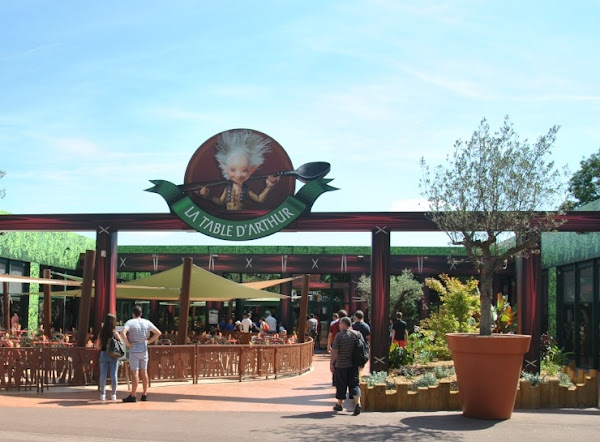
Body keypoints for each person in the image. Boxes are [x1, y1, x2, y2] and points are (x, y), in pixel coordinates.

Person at [199, 130, 280, 210]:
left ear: (252, 170)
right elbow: (220, 202)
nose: (238, 175)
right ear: (224, 168)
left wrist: (269, 187)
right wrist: (208, 196)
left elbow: (259, 199)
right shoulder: (227, 189)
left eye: (244, 171)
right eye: (233, 170)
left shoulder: (245, 190)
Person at [121, 305, 162, 402]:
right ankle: (144, 393)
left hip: (134, 349)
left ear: (133, 314)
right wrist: (149, 341)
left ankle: (133, 394)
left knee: (135, 373)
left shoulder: (130, 322)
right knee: (144, 372)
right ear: (141, 314)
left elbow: (123, 333)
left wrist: (128, 343)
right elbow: (158, 333)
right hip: (143, 349)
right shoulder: (147, 322)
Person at [330, 316, 362, 416]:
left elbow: (335, 351)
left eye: (340, 323)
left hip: (341, 364)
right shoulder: (357, 334)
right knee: (354, 384)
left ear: (344, 324)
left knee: (341, 384)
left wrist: (332, 363)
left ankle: (340, 404)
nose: (339, 325)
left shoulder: (339, 336)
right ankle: (358, 403)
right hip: (353, 364)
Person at [97, 313, 122, 401]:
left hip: (103, 353)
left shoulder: (102, 332)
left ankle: (102, 394)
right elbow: (121, 342)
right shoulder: (115, 333)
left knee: (103, 375)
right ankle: (113, 394)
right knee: (113, 375)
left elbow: (98, 345)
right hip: (113, 355)